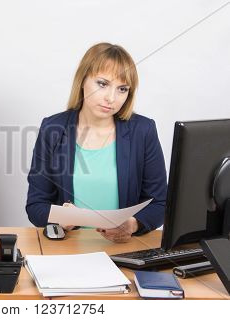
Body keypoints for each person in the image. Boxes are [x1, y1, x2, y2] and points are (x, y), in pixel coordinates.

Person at [26, 43, 167, 243]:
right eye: (102, 84)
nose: (111, 98)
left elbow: (159, 203)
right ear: (83, 81)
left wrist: (132, 224)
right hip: (68, 249)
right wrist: (60, 218)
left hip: (124, 249)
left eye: (122, 89)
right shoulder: (53, 129)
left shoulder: (143, 131)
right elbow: (35, 205)